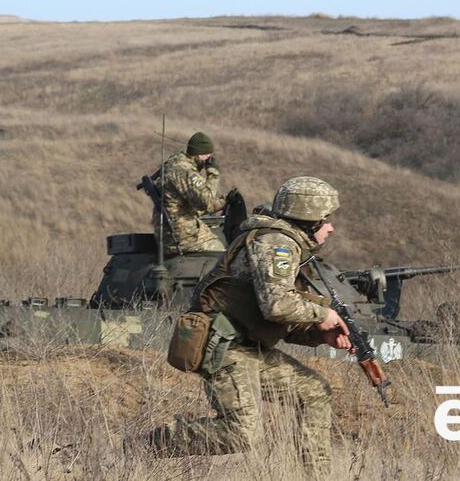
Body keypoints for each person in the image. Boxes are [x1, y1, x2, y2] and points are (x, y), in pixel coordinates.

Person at [146, 176, 352, 476]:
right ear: (308, 219)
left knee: (314, 391)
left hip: (247, 347)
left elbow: (275, 318)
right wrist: (324, 316)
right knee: (242, 433)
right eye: (325, 220)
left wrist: (321, 336)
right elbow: (277, 304)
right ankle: (151, 443)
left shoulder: (287, 245)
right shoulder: (276, 243)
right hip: (224, 347)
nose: (331, 227)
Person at [150, 132, 226, 254]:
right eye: (208, 157)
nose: (207, 161)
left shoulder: (173, 165)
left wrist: (222, 202)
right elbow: (207, 203)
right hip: (183, 237)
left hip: (171, 233)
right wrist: (213, 174)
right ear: (201, 154)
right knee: (220, 251)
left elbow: (193, 205)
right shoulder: (184, 170)